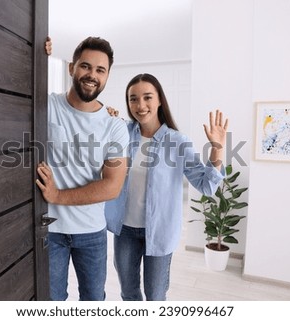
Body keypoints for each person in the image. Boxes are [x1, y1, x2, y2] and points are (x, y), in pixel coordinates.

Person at [105, 73, 228, 301]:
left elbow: (206, 185)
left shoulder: (177, 141)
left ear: (160, 99)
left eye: (147, 97)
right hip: (125, 231)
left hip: (159, 233)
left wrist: (217, 150)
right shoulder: (122, 132)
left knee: (155, 296)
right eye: (133, 99)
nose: (140, 105)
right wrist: (107, 117)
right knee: (128, 292)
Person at [36, 37, 129, 301]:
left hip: (91, 232)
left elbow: (112, 185)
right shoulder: (47, 106)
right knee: (51, 302)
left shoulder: (114, 125)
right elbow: (17, 84)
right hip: (50, 230)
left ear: (108, 76)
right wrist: (33, 53)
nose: (92, 75)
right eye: (85, 66)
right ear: (71, 68)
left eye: (100, 70)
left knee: (93, 301)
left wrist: (58, 196)